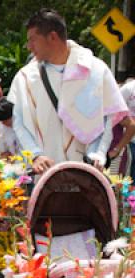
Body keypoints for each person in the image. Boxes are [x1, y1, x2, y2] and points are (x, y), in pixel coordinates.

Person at [8, 8, 127, 175]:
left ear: (52, 37)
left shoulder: (96, 70)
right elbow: (19, 122)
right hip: (44, 177)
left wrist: (98, 153)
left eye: (33, 40)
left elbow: (108, 117)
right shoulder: (26, 77)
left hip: (85, 174)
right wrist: (35, 155)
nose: (28, 47)